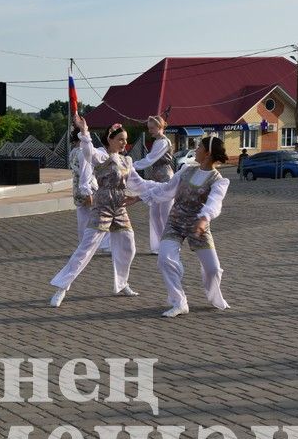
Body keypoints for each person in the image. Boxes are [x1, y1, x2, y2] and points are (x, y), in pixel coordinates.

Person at [49, 115, 156, 307]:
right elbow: (87, 151)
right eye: (120, 139)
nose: (124, 143)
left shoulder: (127, 161)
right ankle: (62, 287)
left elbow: (139, 184)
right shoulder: (100, 156)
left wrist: (163, 186)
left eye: (125, 139)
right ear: (110, 139)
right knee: (86, 249)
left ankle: (122, 283)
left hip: (120, 208)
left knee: (128, 246)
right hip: (102, 207)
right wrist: (84, 131)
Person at [134, 136, 231, 317]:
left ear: (208, 153)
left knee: (213, 269)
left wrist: (204, 219)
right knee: (164, 259)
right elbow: (166, 190)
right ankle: (179, 302)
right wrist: (140, 197)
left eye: (199, 147)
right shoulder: (185, 170)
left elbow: (215, 202)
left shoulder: (218, 180)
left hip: (198, 226)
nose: (196, 150)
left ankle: (214, 297)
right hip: (176, 223)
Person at [133, 116, 175, 254]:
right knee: (155, 214)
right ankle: (158, 246)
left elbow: (150, 160)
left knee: (164, 215)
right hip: (156, 178)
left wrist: (131, 166)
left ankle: (168, 246)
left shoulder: (163, 142)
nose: (149, 130)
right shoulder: (158, 141)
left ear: (160, 127)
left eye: (152, 128)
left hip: (165, 179)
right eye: (149, 128)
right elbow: (151, 160)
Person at [68, 128, 110, 253]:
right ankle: (105, 245)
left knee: (82, 219)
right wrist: (89, 191)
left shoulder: (72, 153)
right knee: (102, 216)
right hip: (89, 188)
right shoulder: (83, 153)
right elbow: (86, 173)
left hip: (77, 189)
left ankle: (83, 246)